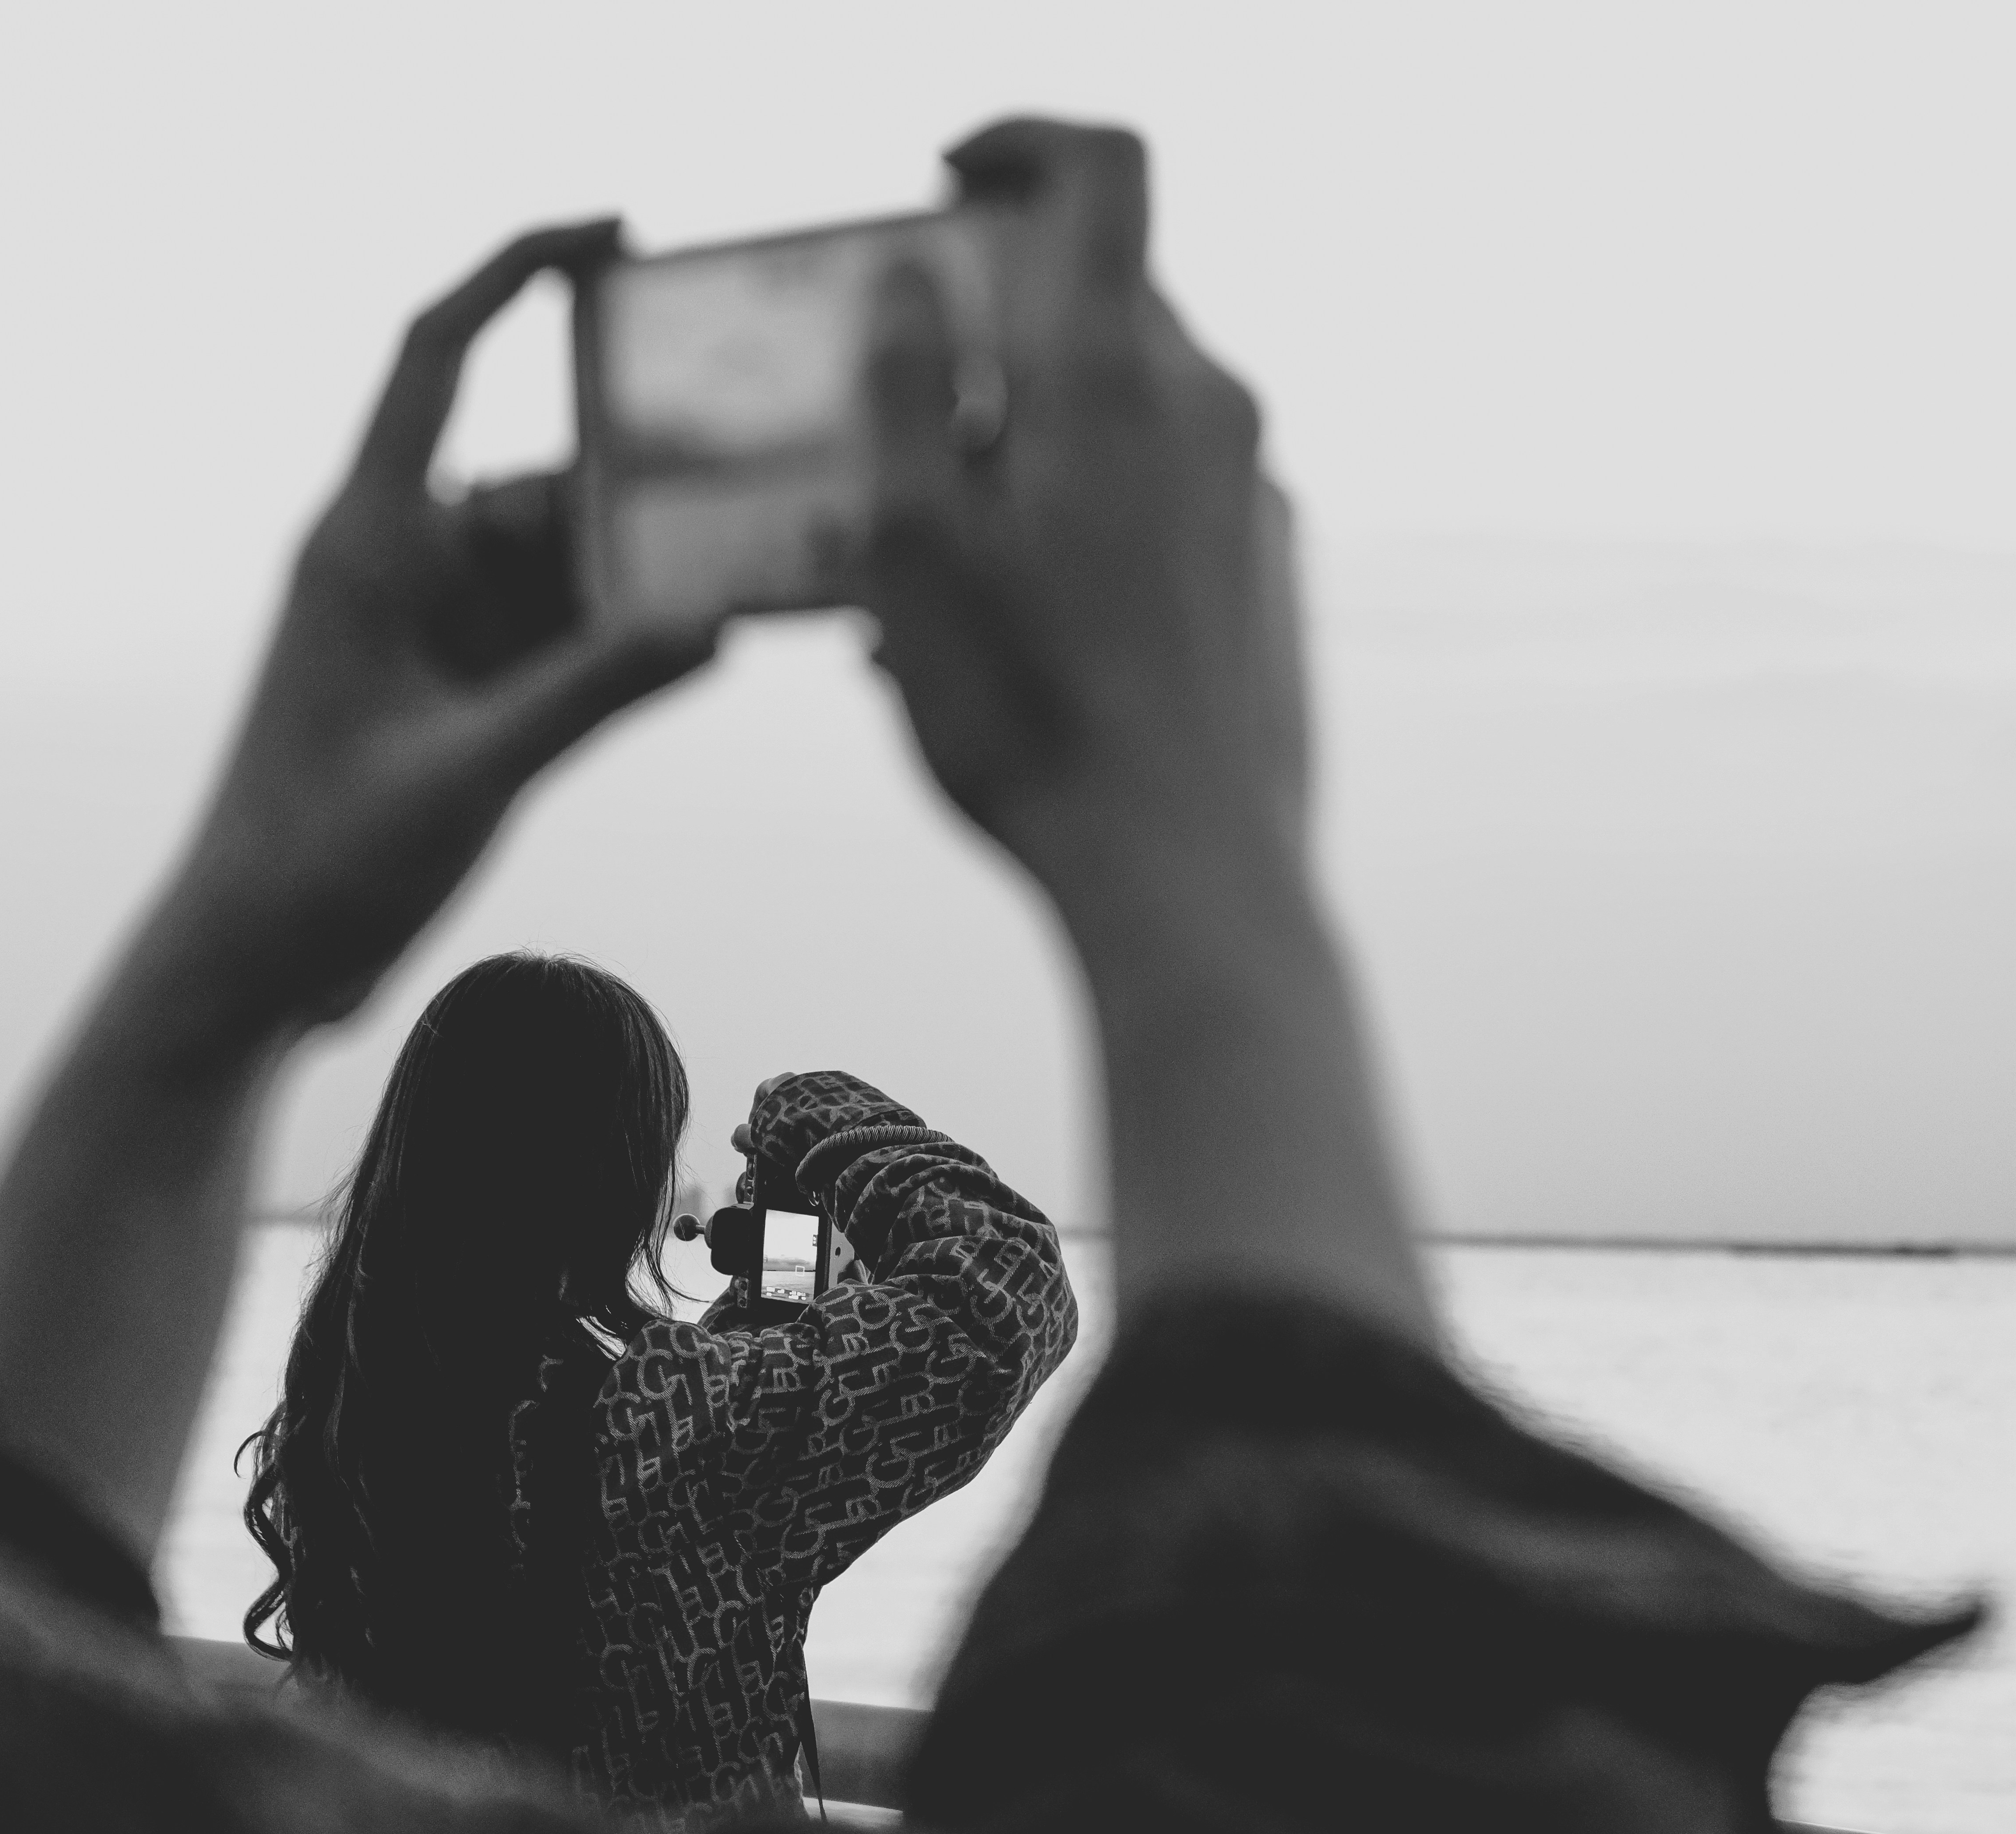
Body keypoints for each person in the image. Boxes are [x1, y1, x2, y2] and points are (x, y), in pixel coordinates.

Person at [0, 0, 1970, 1823]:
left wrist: (211, 993)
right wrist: (1193, 879)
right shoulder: (689, 1430)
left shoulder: (321, 1431)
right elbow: (1059, 1373)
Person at [841, 121, 1982, 1830]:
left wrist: (266, 978)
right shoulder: (698, 1434)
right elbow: (1273, 1657)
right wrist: (1194, 861)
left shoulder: (357, 1543)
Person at [239, 953, 1074, 1826]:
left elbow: (646, 1467)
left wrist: (772, 1290)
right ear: (610, 1173)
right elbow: (1008, 1294)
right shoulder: (677, 1421)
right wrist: (814, 1113)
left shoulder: (350, 1404)